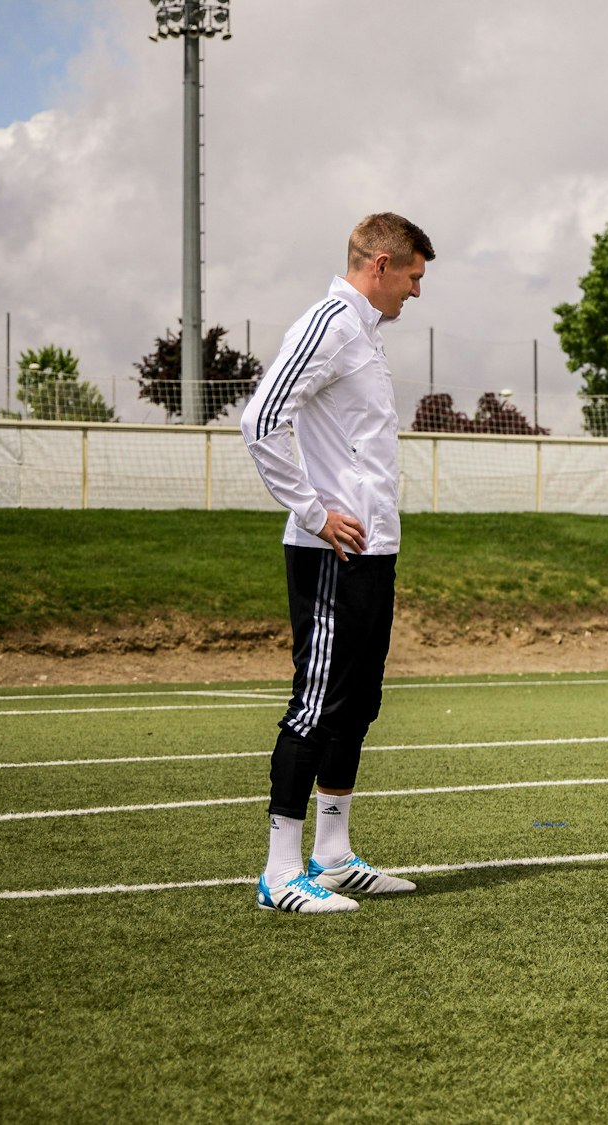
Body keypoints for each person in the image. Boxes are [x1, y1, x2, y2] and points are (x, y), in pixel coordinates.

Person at [238, 212, 434, 913]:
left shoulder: (367, 336)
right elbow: (260, 421)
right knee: (316, 703)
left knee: (359, 701)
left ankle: (332, 854)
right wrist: (317, 512)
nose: (416, 290)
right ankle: (279, 872)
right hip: (329, 551)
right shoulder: (328, 323)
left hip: (372, 550)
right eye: (412, 275)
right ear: (380, 264)